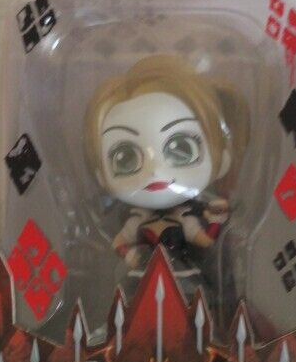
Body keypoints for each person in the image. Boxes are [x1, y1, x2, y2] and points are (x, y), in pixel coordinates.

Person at [85, 54, 249, 305]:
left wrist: (216, 222)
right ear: (101, 176)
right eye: (125, 157)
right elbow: (119, 242)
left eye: (182, 148)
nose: (155, 170)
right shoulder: (136, 219)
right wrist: (129, 256)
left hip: (185, 287)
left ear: (223, 159)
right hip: (139, 286)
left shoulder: (187, 219)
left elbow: (206, 242)